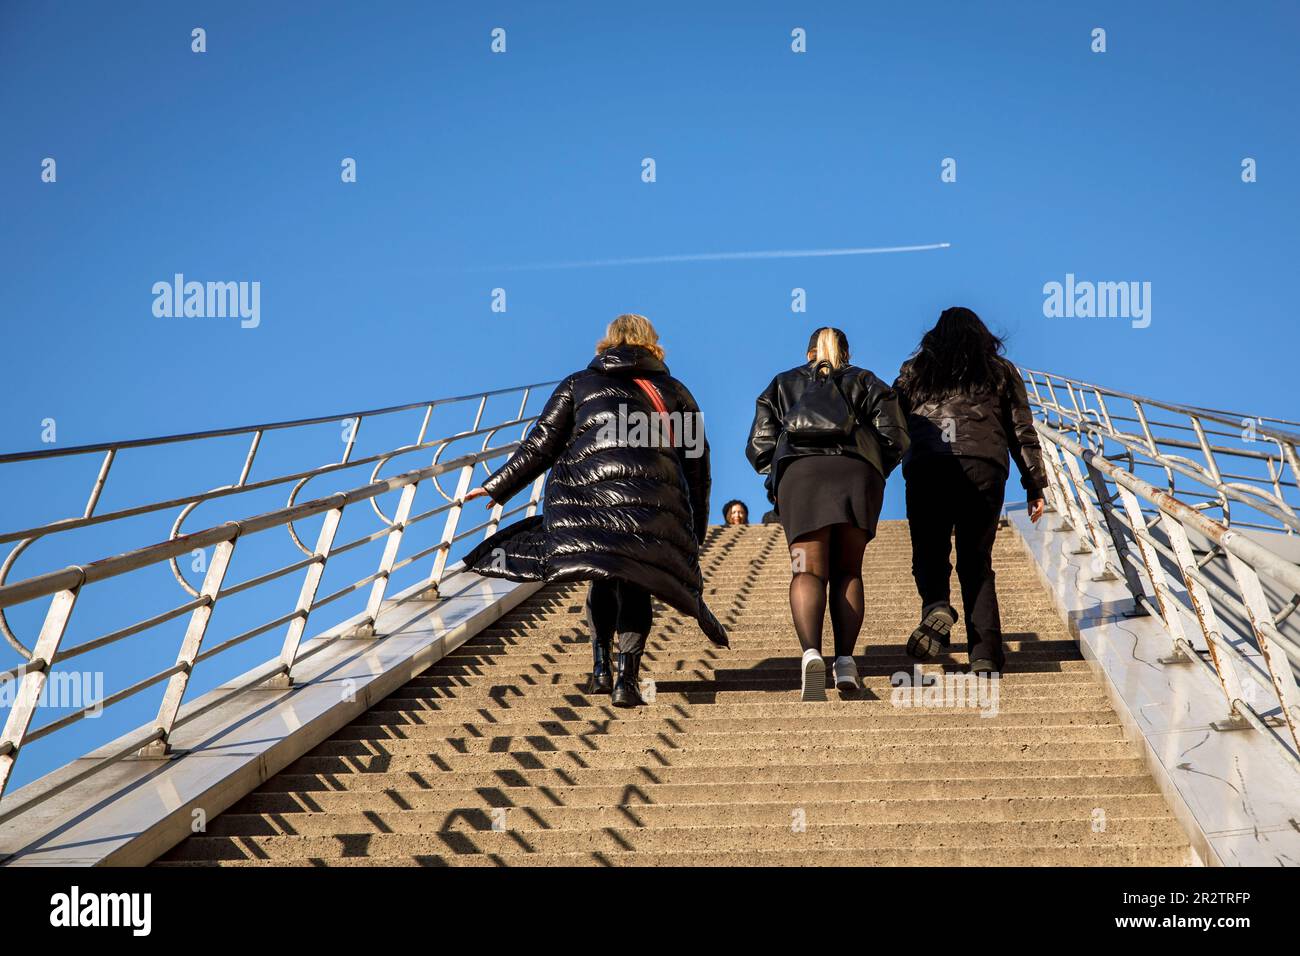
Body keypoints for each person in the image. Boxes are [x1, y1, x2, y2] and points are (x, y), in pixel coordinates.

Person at [462, 313, 727, 708]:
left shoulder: (579, 384)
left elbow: (542, 445)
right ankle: (627, 678)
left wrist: (499, 485)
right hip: (652, 510)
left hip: (588, 502)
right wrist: (693, 532)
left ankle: (600, 670)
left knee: (602, 578)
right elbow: (697, 468)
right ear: (652, 342)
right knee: (638, 582)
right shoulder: (675, 392)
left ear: (608, 342)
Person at [746, 327, 909, 701]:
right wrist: (873, 468)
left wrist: (779, 472)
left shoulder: (782, 384)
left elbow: (759, 445)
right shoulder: (865, 380)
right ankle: (847, 662)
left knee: (807, 570)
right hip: (856, 475)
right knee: (849, 571)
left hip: (802, 477)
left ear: (808, 354)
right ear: (846, 355)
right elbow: (896, 435)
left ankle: (810, 654)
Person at [893, 307, 1047, 675]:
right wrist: (1034, 483)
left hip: (929, 464)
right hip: (984, 465)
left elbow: (892, 423)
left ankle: (936, 607)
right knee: (976, 562)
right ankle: (985, 654)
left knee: (930, 551)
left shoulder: (914, 370)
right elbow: (1020, 429)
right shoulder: (999, 370)